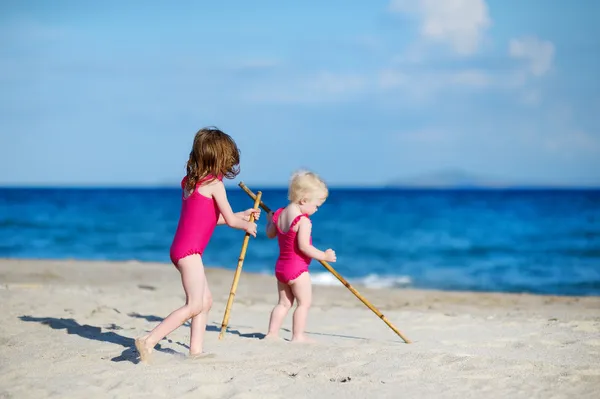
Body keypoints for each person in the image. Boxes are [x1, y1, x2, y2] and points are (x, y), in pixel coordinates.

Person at [135, 127, 259, 362]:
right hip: (190, 253)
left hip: (181, 250)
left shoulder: (190, 182)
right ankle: (149, 340)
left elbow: (208, 220)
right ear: (219, 158)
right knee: (194, 305)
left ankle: (196, 351)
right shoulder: (215, 185)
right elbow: (230, 220)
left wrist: (242, 214)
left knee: (205, 301)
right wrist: (245, 224)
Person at [264, 170, 336, 343]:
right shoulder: (303, 221)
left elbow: (270, 234)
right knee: (303, 304)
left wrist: (269, 220)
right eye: (316, 205)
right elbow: (305, 247)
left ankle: (271, 334)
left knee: (283, 303)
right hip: (297, 269)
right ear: (304, 200)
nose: (316, 210)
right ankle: (298, 335)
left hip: (281, 268)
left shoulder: (280, 214)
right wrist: (323, 256)